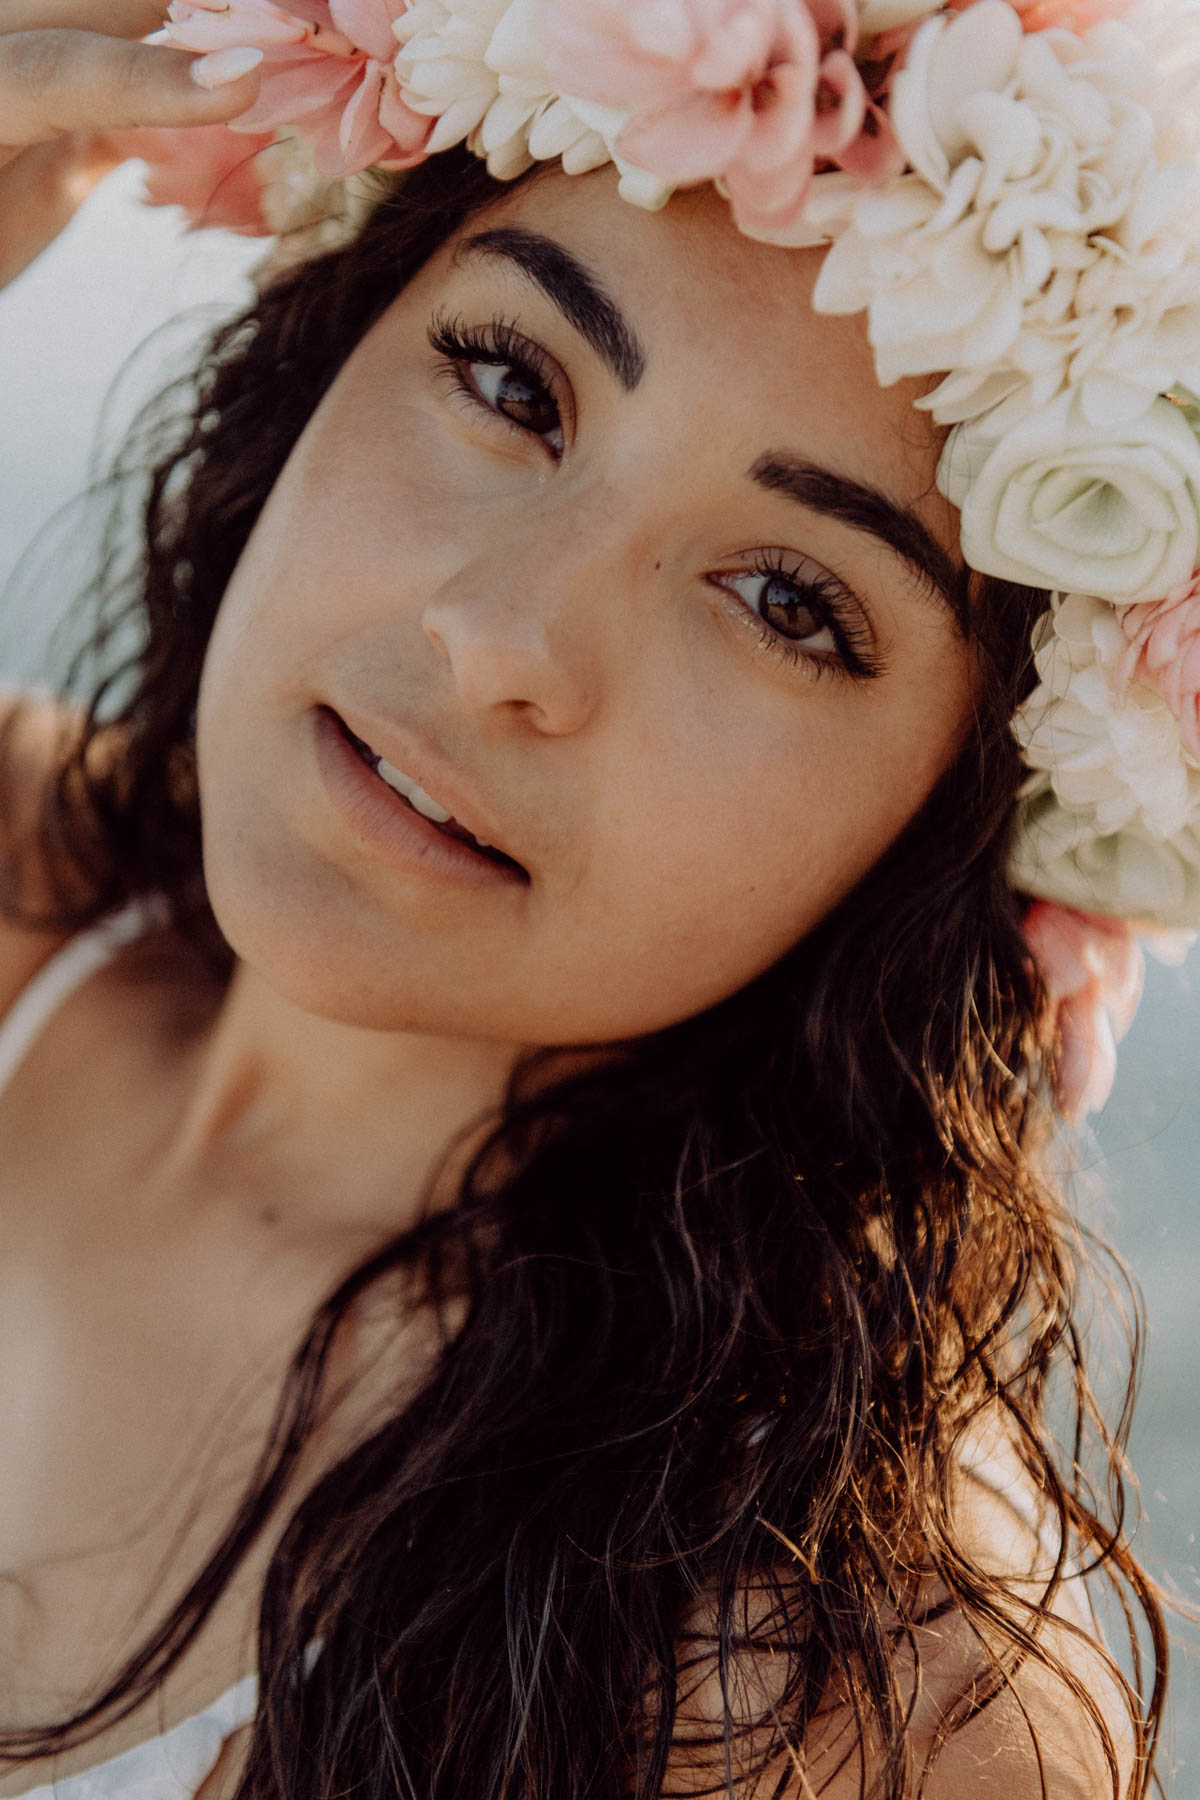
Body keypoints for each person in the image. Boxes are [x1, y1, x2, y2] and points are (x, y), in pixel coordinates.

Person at [0, 0, 1191, 1794]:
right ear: (332, 339)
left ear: (963, 819)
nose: (501, 644)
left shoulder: (846, 1691)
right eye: (510, 382)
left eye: (790, 601)